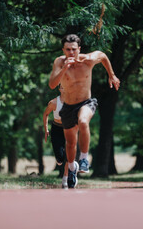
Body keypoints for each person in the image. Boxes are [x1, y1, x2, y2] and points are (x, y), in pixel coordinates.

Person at [49, 34, 120, 188]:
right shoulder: (59, 62)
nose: (71, 53)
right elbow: (52, 84)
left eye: (74, 49)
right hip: (68, 107)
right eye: (67, 49)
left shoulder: (88, 59)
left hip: (86, 102)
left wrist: (112, 75)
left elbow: (102, 55)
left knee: (83, 121)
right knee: (70, 144)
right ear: (63, 50)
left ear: (79, 49)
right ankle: (72, 168)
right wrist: (64, 69)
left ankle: (84, 159)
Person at [43, 84, 69, 188]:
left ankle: (66, 177)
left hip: (68, 129)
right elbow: (45, 114)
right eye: (63, 86)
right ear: (60, 89)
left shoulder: (72, 102)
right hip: (56, 129)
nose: (65, 88)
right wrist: (46, 129)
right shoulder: (53, 103)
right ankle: (60, 159)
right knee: (60, 159)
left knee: (68, 155)